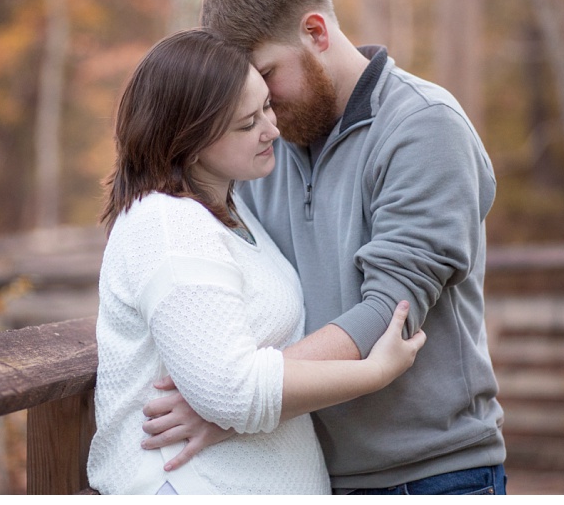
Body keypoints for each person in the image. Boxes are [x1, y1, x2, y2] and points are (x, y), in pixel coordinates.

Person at [143, 0, 507, 495]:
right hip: (304, 476)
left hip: (431, 474)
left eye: (266, 76)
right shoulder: (262, 149)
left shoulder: (424, 128)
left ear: (315, 32)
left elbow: (390, 313)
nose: (259, 108)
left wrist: (235, 401)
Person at [85, 28, 426, 495]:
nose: (272, 129)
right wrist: (374, 373)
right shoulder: (169, 225)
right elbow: (232, 390)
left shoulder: (230, 211)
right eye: (247, 124)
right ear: (190, 138)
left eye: (267, 106)